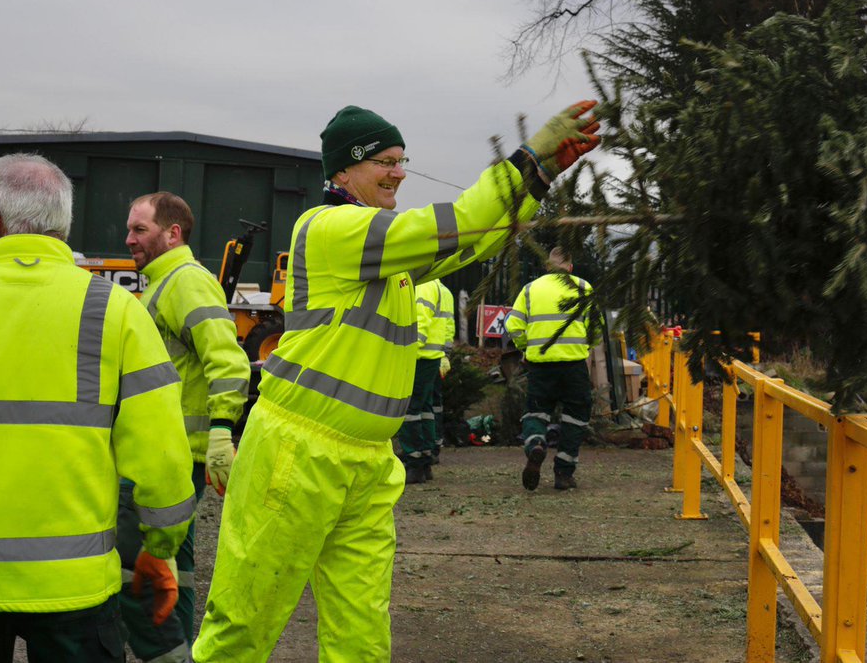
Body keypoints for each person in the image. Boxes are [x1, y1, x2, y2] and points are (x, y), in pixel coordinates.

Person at [193, 101, 600, 662]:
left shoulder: (382, 251)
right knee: (244, 620)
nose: (400, 172)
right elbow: (450, 224)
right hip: (299, 452)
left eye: (402, 159)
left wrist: (538, 177)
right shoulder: (333, 226)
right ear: (342, 171)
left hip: (365, 459)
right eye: (385, 161)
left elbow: (471, 241)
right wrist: (524, 160)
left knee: (361, 632)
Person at [0, 153, 195, 662]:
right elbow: (163, 457)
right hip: (78, 587)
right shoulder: (116, 310)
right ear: (63, 223)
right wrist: (160, 547)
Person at [120, 192, 251, 661]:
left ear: (172, 233)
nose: (128, 238)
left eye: (139, 229)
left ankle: (169, 653)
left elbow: (228, 360)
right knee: (176, 562)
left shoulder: (185, 282)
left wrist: (221, 431)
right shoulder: (162, 282)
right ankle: (185, 651)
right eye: (130, 229)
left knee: (137, 563)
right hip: (171, 453)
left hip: (171, 456)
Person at [506, 247, 600, 491]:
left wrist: (526, 346)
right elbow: (596, 330)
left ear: (547, 266)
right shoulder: (583, 287)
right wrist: (585, 345)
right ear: (570, 267)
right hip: (573, 365)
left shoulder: (530, 289)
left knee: (536, 413)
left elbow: (513, 325)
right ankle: (564, 473)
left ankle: (536, 444)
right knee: (575, 417)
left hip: (540, 366)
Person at [398, 279, 453, 483]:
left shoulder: (422, 286)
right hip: (431, 355)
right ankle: (426, 459)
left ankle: (415, 461)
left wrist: (406, 349)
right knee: (424, 409)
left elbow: (419, 321)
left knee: (408, 410)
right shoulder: (438, 285)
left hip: (418, 355)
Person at [430, 281, 455, 464]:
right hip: (440, 353)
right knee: (435, 402)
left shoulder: (423, 288)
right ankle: (435, 443)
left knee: (422, 403)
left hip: (425, 352)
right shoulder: (445, 291)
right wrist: (446, 352)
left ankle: (428, 444)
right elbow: (449, 325)